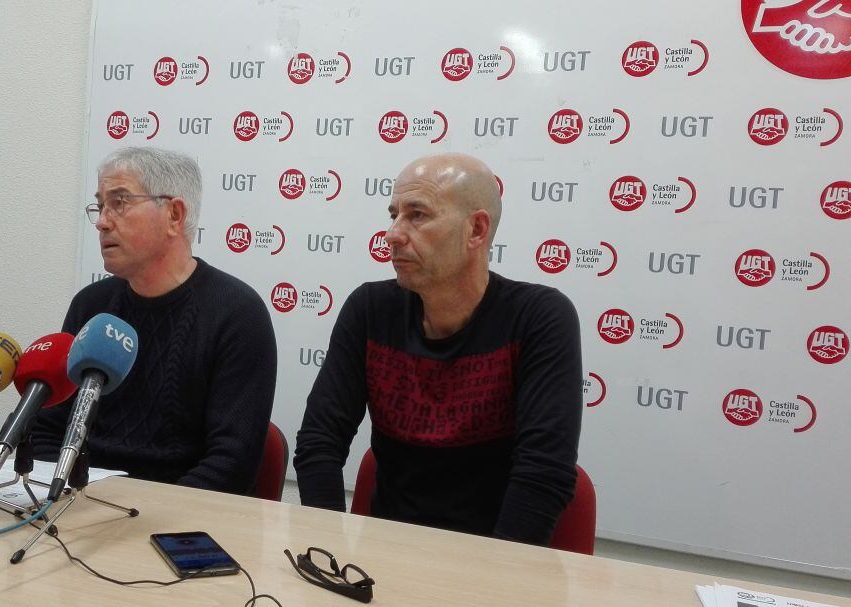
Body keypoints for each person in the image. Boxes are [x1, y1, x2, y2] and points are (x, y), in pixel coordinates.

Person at [294, 153, 582, 544]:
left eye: (417, 215)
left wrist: (496, 579)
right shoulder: (370, 310)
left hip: (496, 563)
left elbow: (543, 474)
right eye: (393, 214)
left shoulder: (538, 318)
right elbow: (319, 441)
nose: (393, 233)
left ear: (476, 230)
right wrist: (328, 551)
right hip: (384, 558)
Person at [32, 147, 277, 495]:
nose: (102, 220)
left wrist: (141, 516)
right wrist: (61, 495)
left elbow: (231, 463)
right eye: (100, 205)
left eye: (119, 202)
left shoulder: (236, 313)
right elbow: (45, 429)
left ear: (174, 215)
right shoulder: (91, 306)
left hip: (181, 519)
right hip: (78, 504)